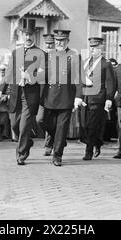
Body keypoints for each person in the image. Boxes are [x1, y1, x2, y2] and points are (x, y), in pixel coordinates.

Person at [0, 23, 46, 165]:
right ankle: (27, 141)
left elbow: (43, 74)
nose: (28, 37)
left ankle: (21, 154)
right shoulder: (15, 52)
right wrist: (1, 88)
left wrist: (30, 76)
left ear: (35, 35)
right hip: (15, 93)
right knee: (14, 125)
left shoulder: (41, 53)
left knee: (24, 125)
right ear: (22, 36)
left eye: (31, 35)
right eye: (26, 35)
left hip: (30, 95)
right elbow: (9, 73)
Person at [42, 30, 80, 166]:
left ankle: (57, 155)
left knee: (62, 127)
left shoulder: (74, 56)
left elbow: (78, 79)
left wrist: (78, 97)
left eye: (62, 40)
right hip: (50, 98)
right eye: (57, 40)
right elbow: (43, 76)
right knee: (44, 123)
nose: (59, 43)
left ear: (67, 41)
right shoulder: (48, 56)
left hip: (66, 98)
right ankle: (60, 139)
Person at [75, 37, 115, 160]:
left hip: (98, 99)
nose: (92, 49)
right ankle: (97, 142)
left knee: (92, 126)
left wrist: (109, 98)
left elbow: (110, 82)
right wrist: (78, 96)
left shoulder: (105, 64)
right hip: (85, 99)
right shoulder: (86, 62)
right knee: (84, 126)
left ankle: (89, 152)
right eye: (91, 47)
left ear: (101, 49)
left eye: (95, 47)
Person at [40, 33, 55, 156]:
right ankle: (57, 136)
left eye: (51, 43)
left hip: (55, 94)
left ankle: (50, 145)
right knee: (40, 120)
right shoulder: (41, 57)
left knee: (52, 120)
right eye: (47, 44)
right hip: (41, 94)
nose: (49, 46)